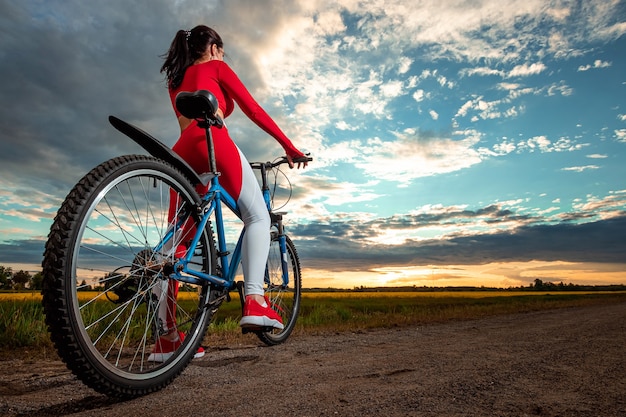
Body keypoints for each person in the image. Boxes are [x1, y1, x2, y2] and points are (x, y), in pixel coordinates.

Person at [148, 25, 308, 362]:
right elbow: (254, 110)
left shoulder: (175, 79)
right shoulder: (217, 67)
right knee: (257, 216)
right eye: (222, 49)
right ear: (215, 48)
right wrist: (289, 147)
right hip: (212, 142)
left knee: (177, 242)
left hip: (182, 151)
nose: (224, 55)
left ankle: (166, 340)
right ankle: (255, 300)